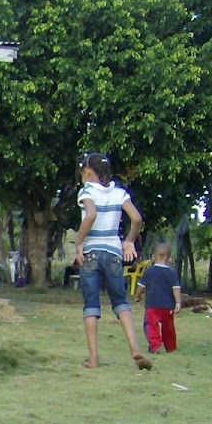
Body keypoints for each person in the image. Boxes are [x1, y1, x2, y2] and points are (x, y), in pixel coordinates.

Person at [74, 152, 152, 370]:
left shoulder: (87, 191)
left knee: (91, 304)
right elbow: (136, 218)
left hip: (90, 253)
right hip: (113, 253)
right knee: (120, 302)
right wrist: (128, 241)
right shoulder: (119, 193)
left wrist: (78, 242)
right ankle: (134, 348)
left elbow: (90, 215)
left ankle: (93, 359)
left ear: (88, 172)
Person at [134, 243, 182, 353]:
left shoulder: (149, 271)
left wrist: (137, 296)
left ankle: (155, 346)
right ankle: (171, 347)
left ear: (153, 256)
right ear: (170, 259)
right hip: (168, 306)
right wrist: (178, 302)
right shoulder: (172, 272)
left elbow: (141, 286)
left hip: (152, 306)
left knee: (150, 325)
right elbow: (176, 288)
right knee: (168, 328)